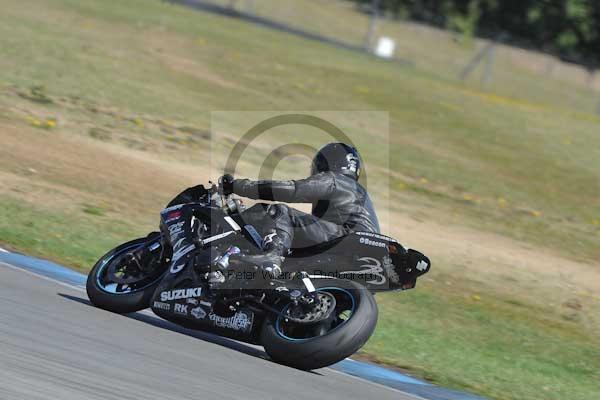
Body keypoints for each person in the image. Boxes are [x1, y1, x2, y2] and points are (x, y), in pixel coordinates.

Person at [220, 142, 380, 277]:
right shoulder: (360, 193)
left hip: (345, 239)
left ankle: (271, 257)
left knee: (279, 212)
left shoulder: (335, 180)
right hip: (365, 254)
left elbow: (292, 190)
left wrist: (237, 186)